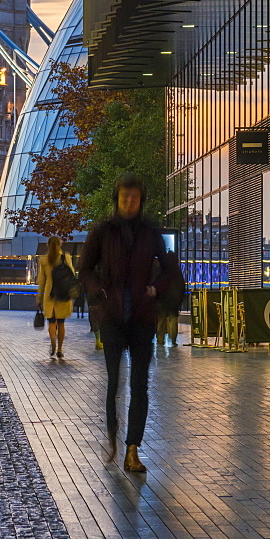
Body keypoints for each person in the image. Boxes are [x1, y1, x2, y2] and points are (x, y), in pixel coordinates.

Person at [80, 174, 171, 472]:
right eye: (124, 198)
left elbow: (171, 269)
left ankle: (132, 448)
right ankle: (113, 437)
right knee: (113, 383)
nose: (129, 203)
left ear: (140, 200)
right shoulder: (103, 232)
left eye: (134, 198)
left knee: (140, 385)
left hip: (143, 316)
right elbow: (85, 270)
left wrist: (156, 288)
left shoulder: (150, 232)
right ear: (116, 200)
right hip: (113, 316)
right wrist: (99, 292)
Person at [36, 236, 77, 359]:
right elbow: (72, 274)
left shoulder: (44, 259)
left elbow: (41, 280)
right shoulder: (66, 257)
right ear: (60, 245)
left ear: (48, 245)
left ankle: (53, 339)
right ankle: (59, 349)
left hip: (50, 294)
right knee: (61, 322)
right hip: (63, 293)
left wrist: (39, 296)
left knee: (52, 322)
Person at [156, 251, 185, 347]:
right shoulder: (177, 272)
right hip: (174, 301)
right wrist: (179, 300)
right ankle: (173, 340)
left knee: (161, 321)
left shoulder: (162, 270)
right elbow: (181, 287)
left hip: (162, 300)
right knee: (173, 320)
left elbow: (158, 284)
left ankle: (160, 340)